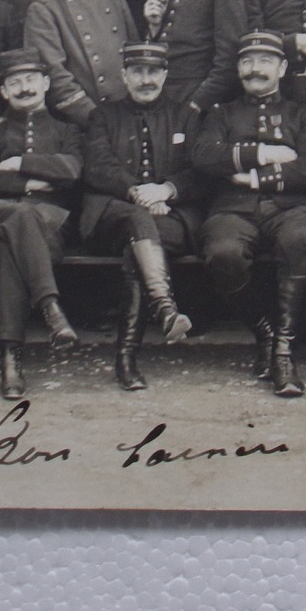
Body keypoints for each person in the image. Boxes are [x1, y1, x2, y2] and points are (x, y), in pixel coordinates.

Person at [194, 31, 306, 397]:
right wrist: (266, 155)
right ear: (238, 68)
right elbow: (204, 156)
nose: (256, 70)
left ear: (283, 68)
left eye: (266, 61)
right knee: (223, 253)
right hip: (233, 210)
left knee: (298, 240)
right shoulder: (222, 113)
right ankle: (264, 333)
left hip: (292, 208)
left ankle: (283, 350)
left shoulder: (302, 115)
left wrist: (251, 176)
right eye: (248, 62)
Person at [81, 41, 200, 390]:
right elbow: (98, 166)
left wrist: (167, 190)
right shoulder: (103, 116)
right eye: (137, 72)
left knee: (138, 244)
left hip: (171, 217)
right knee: (137, 223)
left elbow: (201, 170)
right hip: (112, 215)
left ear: (165, 75)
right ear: (124, 76)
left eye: (152, 72)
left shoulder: (187, 115)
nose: (145, 79)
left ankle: (126, 357)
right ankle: (163, 307)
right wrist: (137, 193)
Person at [0, 47, 86, 400]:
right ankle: (50, 306)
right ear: (4, 91)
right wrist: (33, 183)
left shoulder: (68, 130)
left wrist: (19, 161)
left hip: (49, 223)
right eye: (15, 82)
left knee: (9, 248)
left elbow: (71, 170)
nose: (24, 88)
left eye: (31, 80)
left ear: (46, 83)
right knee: (18, 215)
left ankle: (10, 359)